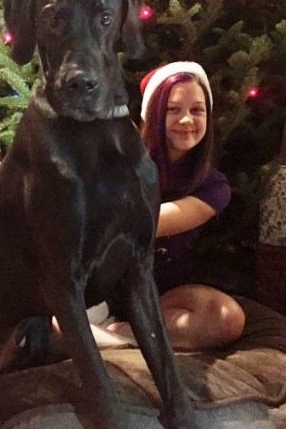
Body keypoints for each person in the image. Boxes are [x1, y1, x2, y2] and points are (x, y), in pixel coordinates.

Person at [87, 61, 245, 352]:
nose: (186, 120)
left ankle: (115, 337)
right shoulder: (117, 162)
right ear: (153, 115)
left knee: (227, 319)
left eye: (197, 110)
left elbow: (143, 224)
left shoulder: (212, 185)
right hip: (99, 290)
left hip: (161, 295)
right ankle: (119, 341)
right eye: (173, 109)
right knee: (44, 324)